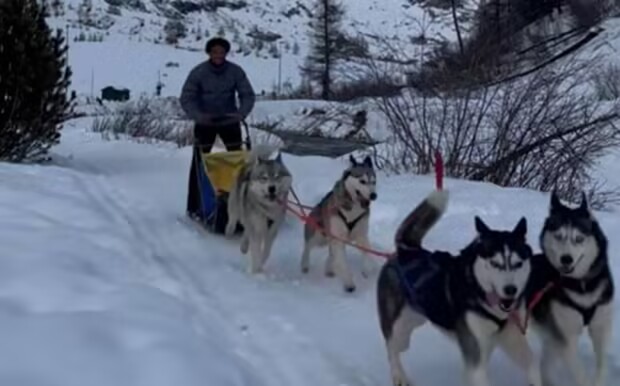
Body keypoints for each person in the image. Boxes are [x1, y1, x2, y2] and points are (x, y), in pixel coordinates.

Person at [180, 37, 256, 221]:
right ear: (209, 53)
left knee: (238, 161)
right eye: (215, 52)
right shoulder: (198, 73)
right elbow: (187, 98)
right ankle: (195, 206)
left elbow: (247, 94)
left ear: (226, 53)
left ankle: (241, 202)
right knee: (199, 162)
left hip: (229, 121)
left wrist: (240, 114)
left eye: (221, 52)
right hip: (206, 122)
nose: (218, 55)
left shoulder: (235, 72)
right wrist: (199, 116)